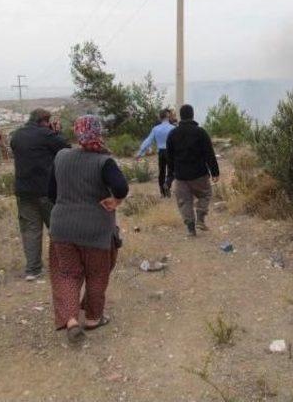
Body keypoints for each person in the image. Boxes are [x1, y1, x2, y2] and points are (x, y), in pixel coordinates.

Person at [49, 115, 129, 344]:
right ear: (99, 132)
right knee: (97, 273)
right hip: (96, 229)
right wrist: (117, 201)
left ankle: (71, 320)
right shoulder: (104, 161)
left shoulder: (61, 157)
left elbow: (51, 193)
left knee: (68, 274)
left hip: (62, 228)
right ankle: (93, 318)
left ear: (77, 133)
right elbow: (121, 187)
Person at [10, 109, 70, 281]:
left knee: (30, 230)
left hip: (23, 190)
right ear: (44, 121)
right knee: (58, 228)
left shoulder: (17, 135)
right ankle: (63, 266)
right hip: (47, 190)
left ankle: (33, 269)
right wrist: (56, 132)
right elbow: (66, 148)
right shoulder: (46, 134)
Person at [166, 104, 220, 237]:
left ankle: (191, 229)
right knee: (205, 194)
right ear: (192, 115)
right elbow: (209, 153)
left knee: (184, 202)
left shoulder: (173, 134)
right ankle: (200, 218)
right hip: (199, 174)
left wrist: (170, 176)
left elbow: (169, 158)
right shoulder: (200, 132)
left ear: (180, 116)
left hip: (181, 176)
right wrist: (215, 172)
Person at [136, 108, 175, 197]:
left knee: (161, 172)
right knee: (171, 171)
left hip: (160, 152)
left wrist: (140, 152)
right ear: (168, 116)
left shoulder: (155, 129)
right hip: (170, 152)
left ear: (160, 117)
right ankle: (167, 185)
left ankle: (163, 192)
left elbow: (148, 141)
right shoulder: (173, 128)